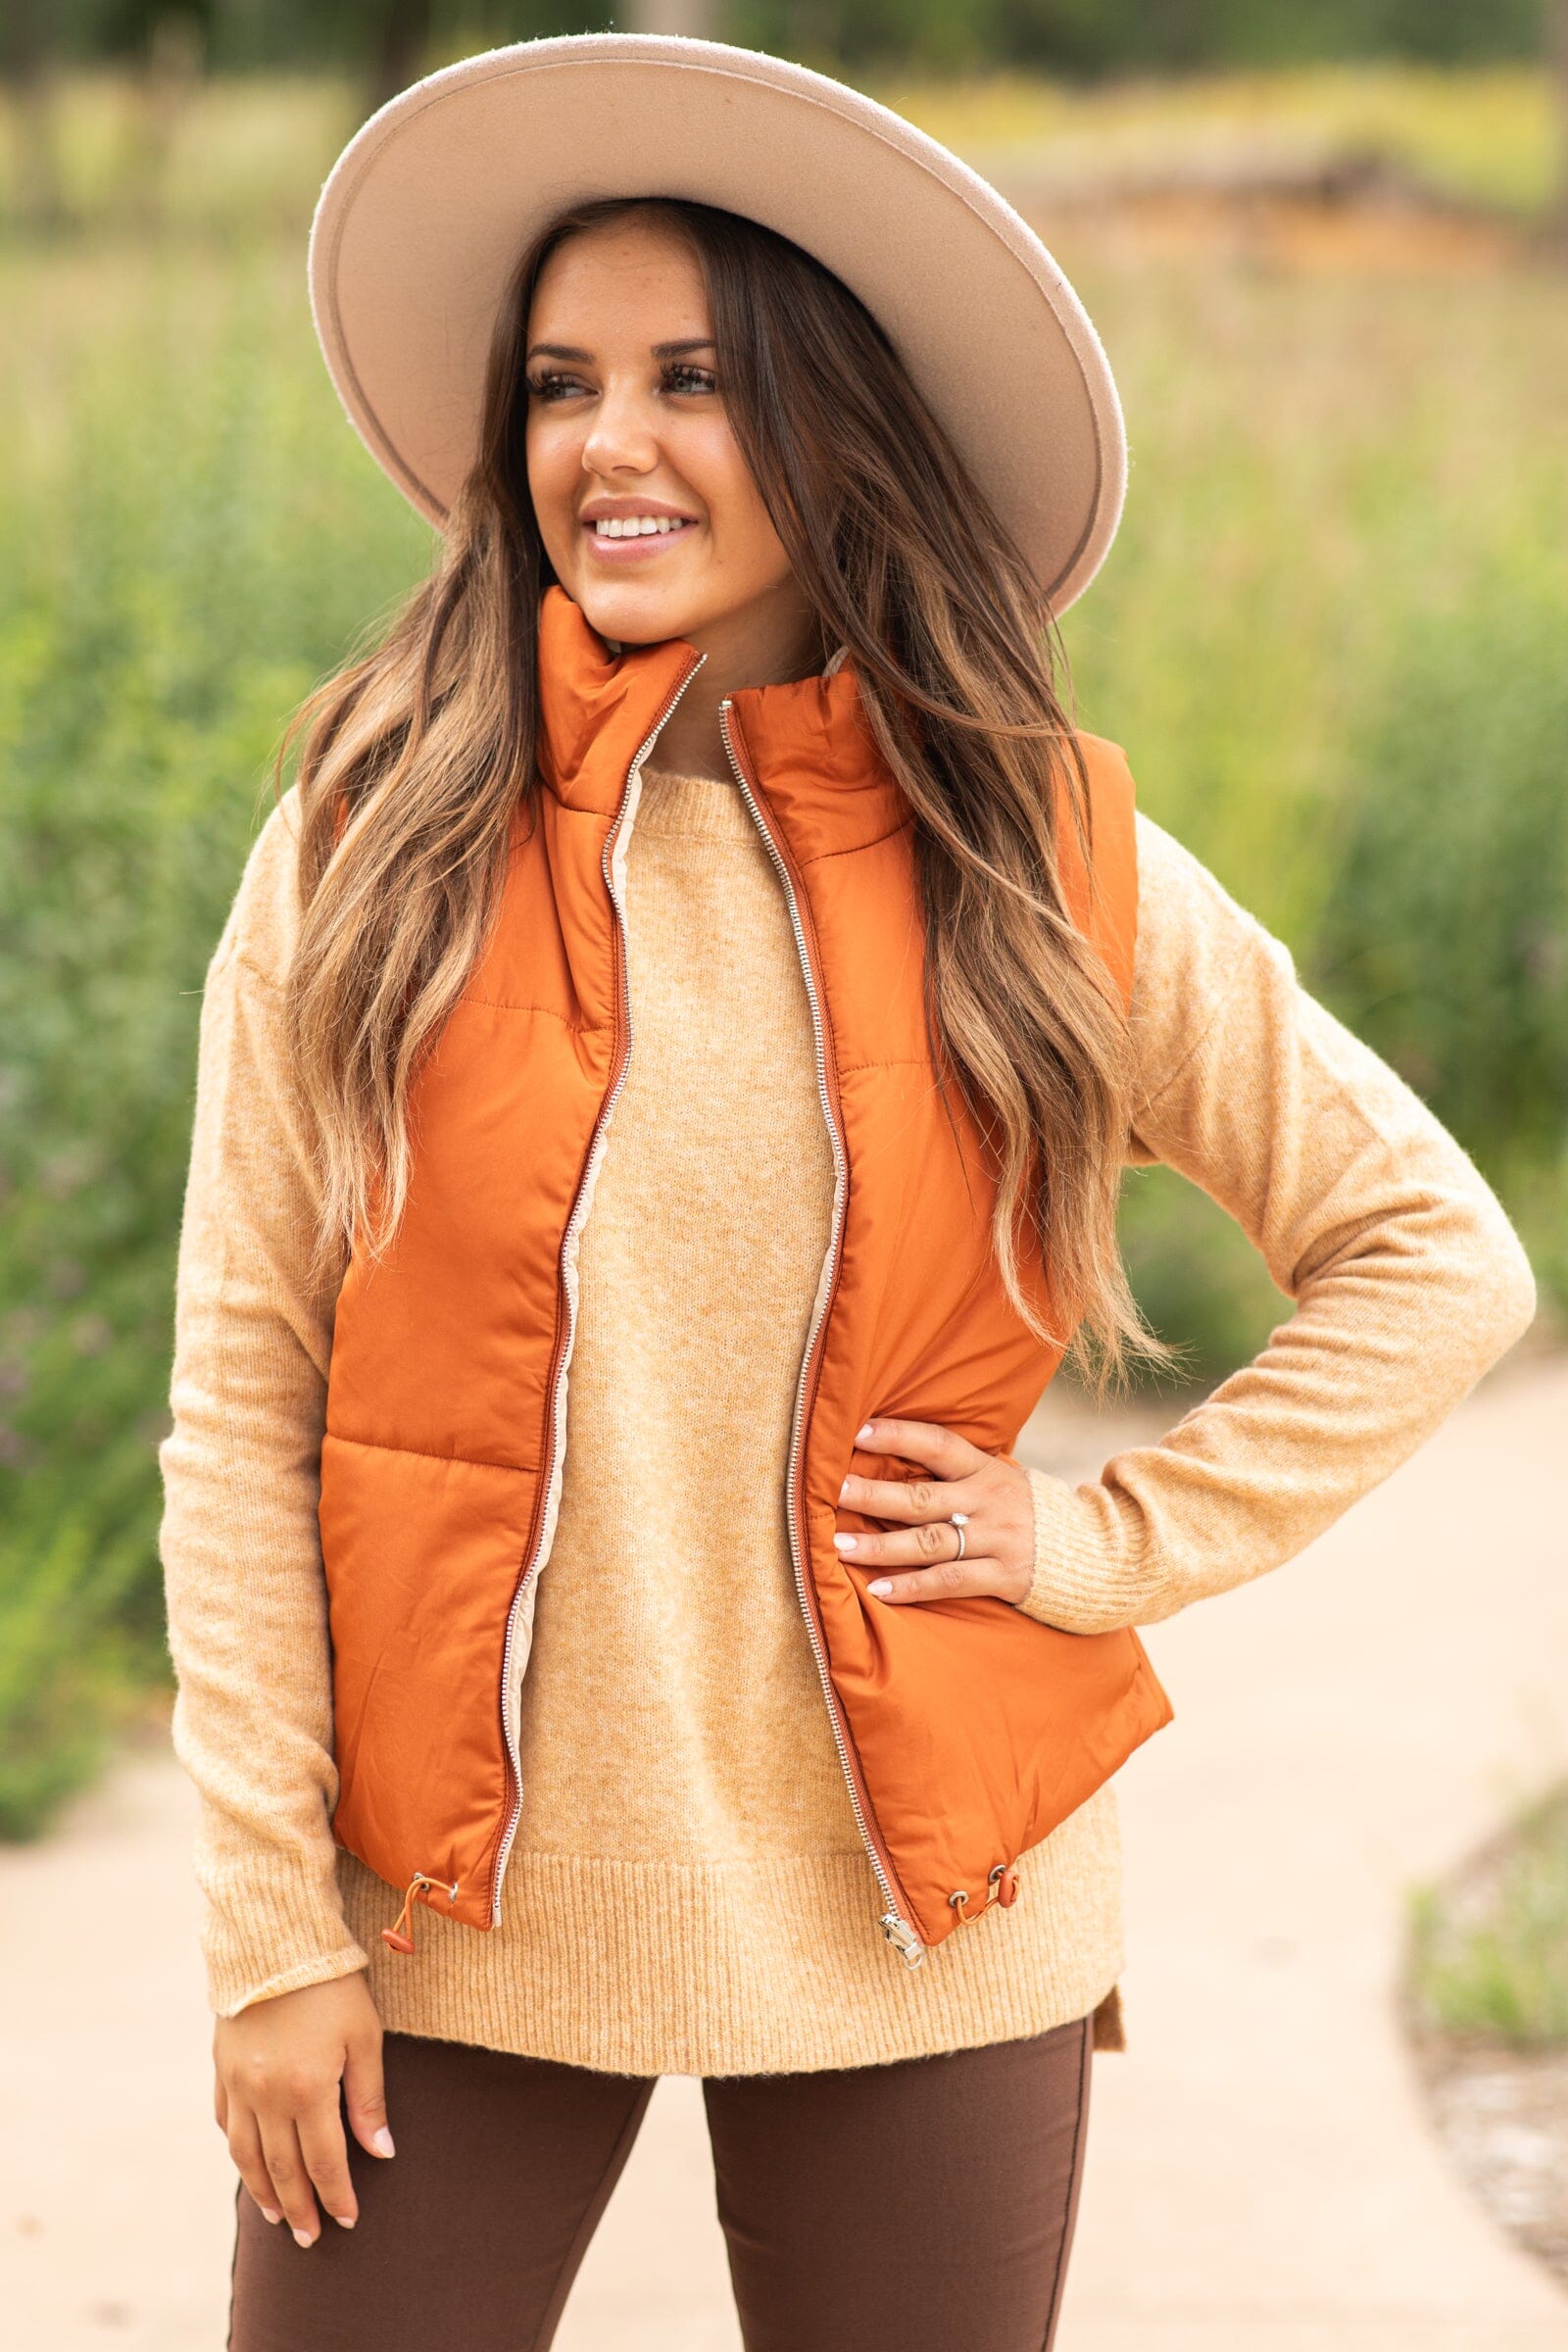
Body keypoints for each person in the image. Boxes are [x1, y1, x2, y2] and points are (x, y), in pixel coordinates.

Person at [157, 34, 1538, 2352]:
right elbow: (239, 1403)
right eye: (562, 382)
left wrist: (1096, 1545)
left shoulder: (1038, 852)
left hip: (930, 1895)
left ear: (832, 418)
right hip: (440, 1906)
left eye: (695, 378)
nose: (612, 442)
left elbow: (1433, 1256)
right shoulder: (372, 849)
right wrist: (268, 1929)